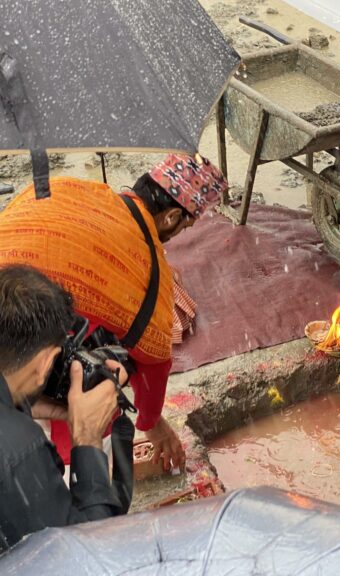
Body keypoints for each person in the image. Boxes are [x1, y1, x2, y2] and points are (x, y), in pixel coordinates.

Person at [0, 153, 226, 470]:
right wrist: (151, 422)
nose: (179, 234)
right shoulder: (148, 269)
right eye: (184, 226)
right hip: (21, 355)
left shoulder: (70, 188)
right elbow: (154, 361)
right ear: (171, 217)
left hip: (9, 319)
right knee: (92, 388)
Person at [0, 265, 127, 551]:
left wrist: (27, 404)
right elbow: (85, 553)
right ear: (47, 361)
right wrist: (87, 437)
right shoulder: (21, 450)